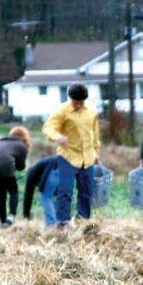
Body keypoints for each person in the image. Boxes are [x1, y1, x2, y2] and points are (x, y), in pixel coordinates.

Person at [42, 83, 100, 226]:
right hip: (68, 156)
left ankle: (83, 221)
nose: (78, 105)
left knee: (86, 192)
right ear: (70, 98)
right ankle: (63, 222)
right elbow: (48, 127)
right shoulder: (62, 111)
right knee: (65, 192)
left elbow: (95, 132)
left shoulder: (91, 110)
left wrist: (96, 151)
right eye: (75, 102)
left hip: (88, 157)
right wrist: (57, 137)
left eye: (81, 102)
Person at [0, 126, 32, 227]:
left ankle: (3, 222)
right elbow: (21, 167)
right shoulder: (21, 146)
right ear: (24, 137)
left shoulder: (0, 142)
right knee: (13, 191)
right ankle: (11, 216)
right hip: (6, 167)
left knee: (1, 194)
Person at [23, 155, 60, 228]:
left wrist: (26, 215)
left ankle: (51, 225)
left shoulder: (31, 174)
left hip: (54, 168)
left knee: (45, 197)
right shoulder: (40, 168)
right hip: (64, 168)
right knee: (59, 197)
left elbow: (28, 196)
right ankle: (59, 221)